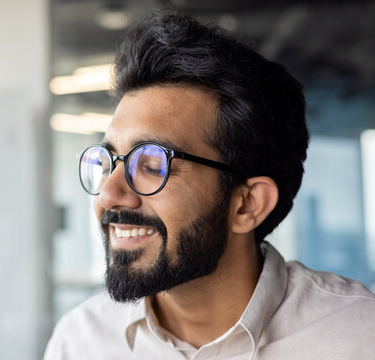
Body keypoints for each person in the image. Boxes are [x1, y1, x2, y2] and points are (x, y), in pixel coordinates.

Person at [44, 10, 375, 360]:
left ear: (247, 204)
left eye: (152, 165)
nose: (109, 194)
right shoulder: (80, 342)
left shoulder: (358, 339)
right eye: (109, 161)